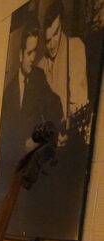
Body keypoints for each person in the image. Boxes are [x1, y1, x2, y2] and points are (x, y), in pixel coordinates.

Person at [0, 21, 62, 207]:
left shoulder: (38, 77)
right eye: (29, 53)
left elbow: (54, 104)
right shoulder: (8, 94)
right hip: (13, 170)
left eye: (35, 52)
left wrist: (54, 128)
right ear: (20, 54)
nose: (33, 58)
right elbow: (4, 141)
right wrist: (24, 145)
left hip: (33, 169)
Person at [39, 1, 90, 146]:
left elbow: (79, 100)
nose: (52, 44)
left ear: (62, 25)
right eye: (48, 40)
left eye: (56, 34)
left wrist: (67, 131)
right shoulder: (40, 65)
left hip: (72, 139)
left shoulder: (75, 47)